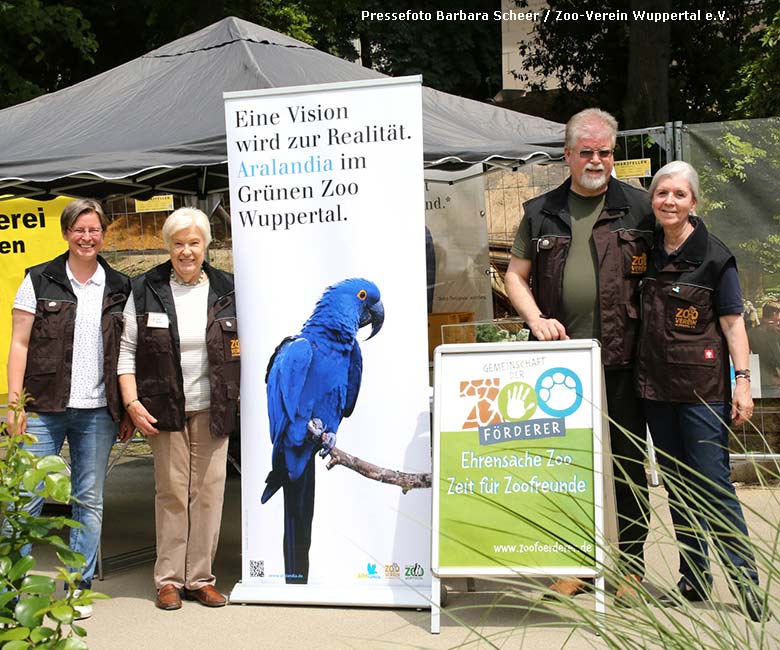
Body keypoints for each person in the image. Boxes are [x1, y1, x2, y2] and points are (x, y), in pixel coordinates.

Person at [504, 108, 654, 601]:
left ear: (614, 154)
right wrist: (535, 319)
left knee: (628, 462)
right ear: (567, 155)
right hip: (560, 363)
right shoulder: (539, 210)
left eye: (605, 152)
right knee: (566, 464)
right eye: (586, 152)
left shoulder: (641, 208)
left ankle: (629, 568)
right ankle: (575, 565)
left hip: (626, 355)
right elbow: (515, 277)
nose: (596, 160)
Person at [635, 161, 766, 621]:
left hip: (702, 392)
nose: (669, 201)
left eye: (679, 194)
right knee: (678, 486)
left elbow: (733, 324)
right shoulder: (647, 251)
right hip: (654, 389)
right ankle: (694, 578)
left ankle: (746, 583)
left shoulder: (715, 256)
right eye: (661, 194)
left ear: (694, 202)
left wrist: (743, 382)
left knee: (714, 484)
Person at [6, 198, 133, 618]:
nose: (87, 237)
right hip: (42, 406)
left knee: (89, 500)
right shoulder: (38, 279)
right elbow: (19, 344)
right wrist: (13, 404)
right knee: (25, 497)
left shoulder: (119, 286)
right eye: (79, 229)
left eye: (94, 229)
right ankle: (13, 585)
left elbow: (128, 351)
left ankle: (77, 589)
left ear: (103, 234)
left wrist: (126, 406)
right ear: (66, 233)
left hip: (96, 410)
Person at [118, 207, 240, 611]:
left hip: (213, 406)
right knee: (171, 492)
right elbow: (126, 352)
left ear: (207, 245)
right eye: (178, 243)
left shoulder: (228, 288)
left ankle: (200, 578)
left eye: (194, 243)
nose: (186, 251)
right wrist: (132, 402)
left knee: (208, 493)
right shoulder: (146, 287)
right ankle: (168, 580)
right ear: (167, 247)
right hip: (162, 406)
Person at [748, 301, 780, 397]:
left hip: (758, 380)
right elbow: (777, 356)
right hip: (775, 380)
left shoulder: (751, 332)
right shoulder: (775, 332)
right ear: (774, 314)